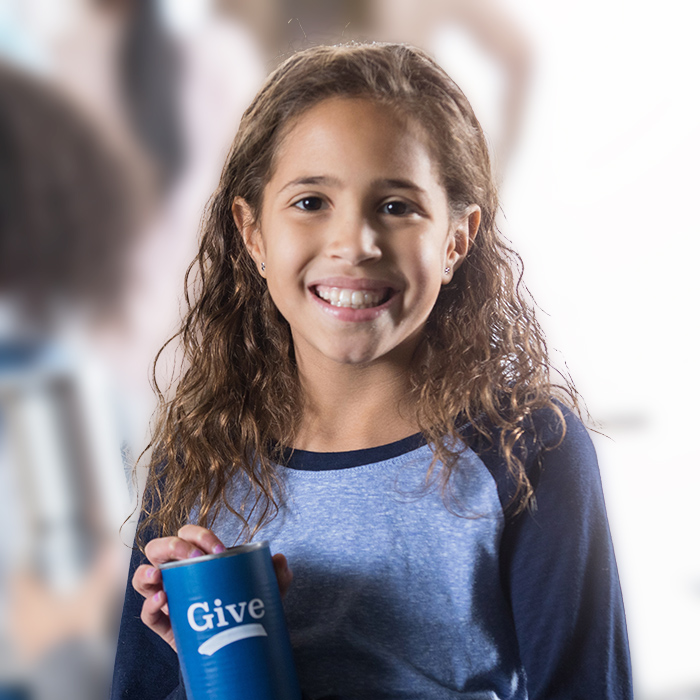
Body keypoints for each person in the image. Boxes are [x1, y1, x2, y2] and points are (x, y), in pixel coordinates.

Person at [111, 43, 633, 699]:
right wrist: (203, 670)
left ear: (455, 241)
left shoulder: (528, 446)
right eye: (310, 202)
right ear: (252, 235)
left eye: (396, 206)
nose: (355, 243)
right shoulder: (203, 456)